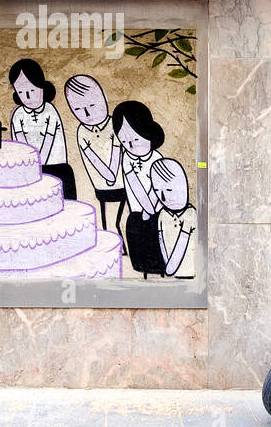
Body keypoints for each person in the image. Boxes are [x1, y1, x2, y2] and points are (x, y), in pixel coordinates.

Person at [64, 74, 125, 235]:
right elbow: (94, 161)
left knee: (122, 221)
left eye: (92, 105)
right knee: (108, 224)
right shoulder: (82, 132)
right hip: (101, 187)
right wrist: (109, 176)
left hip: (123, 184)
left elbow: (116, 156)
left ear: (104, 98)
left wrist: (111, 176)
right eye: (78, 109)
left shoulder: (114, 124)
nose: (87, 113)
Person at [113, 100, 167, 277]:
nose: (130, 145)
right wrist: (143, 210)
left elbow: (157, 187)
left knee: (155, 243)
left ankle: (158, 270)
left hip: (156, 212)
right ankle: (141, 270)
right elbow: (133, 184)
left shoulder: (156, 158)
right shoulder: (127, 159)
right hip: (137, 211)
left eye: (135, 139)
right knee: (137, 240)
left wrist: (149, 209)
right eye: (124, 140)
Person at [9, 58, 76, 200]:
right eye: (21, 91)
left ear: (41, 86)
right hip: (30, 168)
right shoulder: (18, 114)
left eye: (32, 89)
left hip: (55, 167)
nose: (27, 96)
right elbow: (22, 145)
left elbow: (48, 141)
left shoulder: (50, 110)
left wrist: (39, 170)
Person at [150, 158, 195, 278]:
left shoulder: (190, 214)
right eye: (157, 191)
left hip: (189, 272)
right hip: (174, 275)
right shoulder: (162, 214)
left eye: (169, 190)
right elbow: (163, 246)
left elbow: (180, 247)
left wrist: (169, 270)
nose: (163, 198)